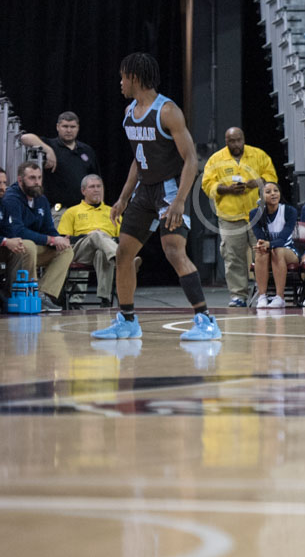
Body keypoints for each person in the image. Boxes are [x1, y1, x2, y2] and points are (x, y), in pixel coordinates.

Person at [92, 53, 220, 341]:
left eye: (123, 76)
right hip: (143, 191)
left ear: (135, 77)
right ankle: (127, 321)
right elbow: (139, 159)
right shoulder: (129, 113)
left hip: (169, 190)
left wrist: (179, 201)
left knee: (174, 251)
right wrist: (124, 197)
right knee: (124, 254)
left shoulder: (168, 111)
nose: (120, 81)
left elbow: (191, 161)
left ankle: (206, 320)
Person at [201, 126, 278, 308]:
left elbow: (271, 177)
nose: (236, 144)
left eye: (239, 140)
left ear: (243, 139)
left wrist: (256, 183)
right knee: (233, 256)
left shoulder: (258, 155)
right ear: (226, 141)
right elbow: (207, 184)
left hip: (256, 215)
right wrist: (225, 189)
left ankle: (262, 293)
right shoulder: (216, 159)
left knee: (262, 253)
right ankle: (238, 296)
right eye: (232, 141)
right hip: (230, 216)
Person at [2, 162, 73, 312]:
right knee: (27, 245)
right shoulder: (11, 198)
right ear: (20, 180)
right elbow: (17, 231)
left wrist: (58, 239)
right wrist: (50, 240)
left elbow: (49, 229)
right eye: (32, 178)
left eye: (39, 178)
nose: (37, 182)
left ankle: (43, 294)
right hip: (13, 247)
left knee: (66, 250)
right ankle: (27, 294)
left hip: (31, 248)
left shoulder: (41, 199)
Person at [18, 111, 100, 218]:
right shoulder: (50, 144)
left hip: (84, 210)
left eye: (72, 127)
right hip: (58, 211)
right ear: (58, 127)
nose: (69, 130)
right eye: (65, 126)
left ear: (78, 128)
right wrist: (48, 150)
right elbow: (25, 138)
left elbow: (97, 181)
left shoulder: (87, 150)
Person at [56, 174, 121, 307]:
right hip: (79, 250)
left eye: (99, 186)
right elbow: (64, 240)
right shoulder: (72, 212)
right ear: (83, 191)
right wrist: (88, 235)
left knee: (102, 252)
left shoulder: (113, 212)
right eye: (92, 187)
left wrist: (102, 237)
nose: (96, 190)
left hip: (104, 250)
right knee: (96, 235)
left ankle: (105, 299)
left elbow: (120, 238)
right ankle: (122, 259)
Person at [251, 182, 298, 310]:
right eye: (268, 192)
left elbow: (283, 239)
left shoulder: (289, 211)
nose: (273, 194)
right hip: (267, 250)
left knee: (277, 250)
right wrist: (263, 245)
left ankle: (280, 297)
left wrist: (269, 244)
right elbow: (260, 237)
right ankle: (262, 297)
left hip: (289, 251)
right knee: (260, 252)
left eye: (276, 191)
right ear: (261, 197)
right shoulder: (255, 214)